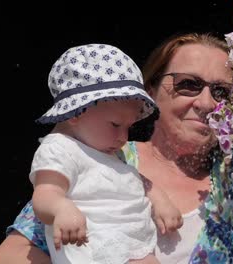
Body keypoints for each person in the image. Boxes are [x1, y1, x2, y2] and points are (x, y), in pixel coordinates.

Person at [0, 33, 233, 264]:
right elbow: (14, 254)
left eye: (221, 92)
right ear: (149, 92)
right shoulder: (98, 157)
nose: (205, 103)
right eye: (188, 84)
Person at [23, 43, 182, 264]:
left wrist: (161, 201)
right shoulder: (60, 148)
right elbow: (45, 193)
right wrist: (60, 208)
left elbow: (134, 180)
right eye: (116, 124)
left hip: (134, 246)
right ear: (75, 112)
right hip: (94, 247)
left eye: (129, 126)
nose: (124, 137)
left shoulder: (107, 151)